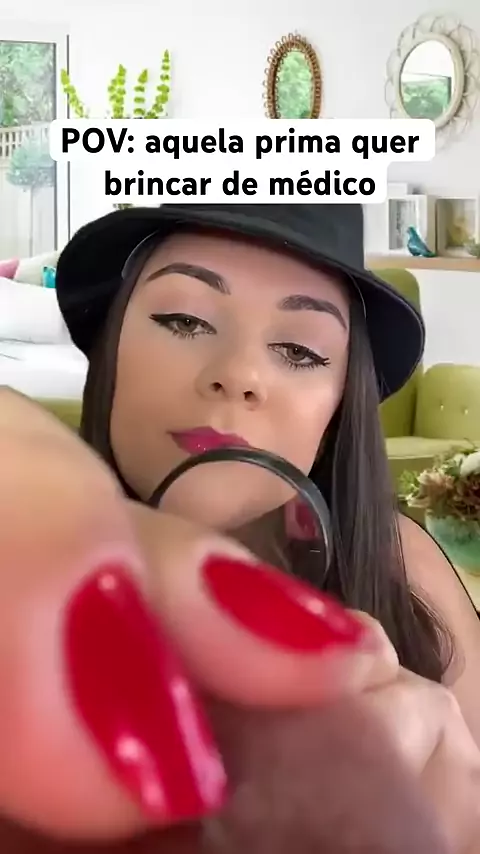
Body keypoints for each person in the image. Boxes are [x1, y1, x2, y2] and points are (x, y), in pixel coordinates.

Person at [0, 203, 479, 853]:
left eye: (299, 350)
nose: (239, 375)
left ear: (339, 407)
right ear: (112, 348)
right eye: (184, 320)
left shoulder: (403, 563)